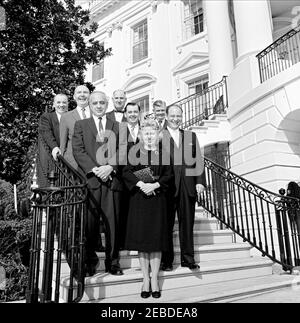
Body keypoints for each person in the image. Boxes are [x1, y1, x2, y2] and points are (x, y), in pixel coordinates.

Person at [72, 91, 123, 276]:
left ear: (107, 104)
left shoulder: (118, 126)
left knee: (113, 225)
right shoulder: (81, 125)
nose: (99, 105)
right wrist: (96, 169)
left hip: (112, 181)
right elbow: (78, 150)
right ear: (90, 105)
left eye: (102, 102)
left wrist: (110, 167)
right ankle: (90, 263)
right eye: (96, 103)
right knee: (89, 225)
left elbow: (123, 149)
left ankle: (113, 263)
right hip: (91, 181)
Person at [122, 119, 174, 299]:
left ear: (157, 135)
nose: (149, 135)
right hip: (139, 200)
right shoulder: (134, 152)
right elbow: (126, 172)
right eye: (146, 133)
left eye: (152, 132)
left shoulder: (164, 153)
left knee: (156, 242)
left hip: (157, 200)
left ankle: (155, 280)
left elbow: (169, 175)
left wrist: (155, 185)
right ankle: (145, 279)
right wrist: (140, 183)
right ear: (141, 135)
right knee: (143, 243)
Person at [161, 104, 206, 271]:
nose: (175, 119)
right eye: (172, 115)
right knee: (166, 225)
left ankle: (188, 259)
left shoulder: (190, 136)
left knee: (187, 224)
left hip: (187, 187)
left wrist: (200, 181)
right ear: (166, 116)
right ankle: (166, 261)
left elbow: (198, 160)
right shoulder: (159, 136)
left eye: (178, 116)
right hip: (166, 188)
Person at [37, 93, 69, 186]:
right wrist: (54, 147)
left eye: (64, 102)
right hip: (54, 157)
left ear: (68, 104)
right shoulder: (47, 117)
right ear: (54, 104)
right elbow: (47, 133)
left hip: (69, 157)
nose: (61, 105)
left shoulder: (72, 117)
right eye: (58, 102)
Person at [60, 85, 91, 170]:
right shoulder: (66, 117)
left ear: (90, 96)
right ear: (74, 97)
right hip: (72, 164)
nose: (82, 95)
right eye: (79, 92)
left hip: (94, 162)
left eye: (85, 92)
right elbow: (63, 144)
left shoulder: (97, 114)